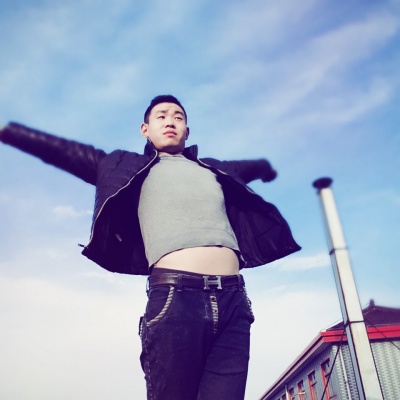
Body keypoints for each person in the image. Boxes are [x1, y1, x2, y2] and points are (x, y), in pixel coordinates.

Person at [0, 95, 300, 400]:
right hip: (175, 299)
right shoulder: (122, 166)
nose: (170, 121)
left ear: (187, 131)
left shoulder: (215, 169)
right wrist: (10, 132)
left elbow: (250, 167)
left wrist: (266, 168)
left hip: (233, 301)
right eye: (162, 116)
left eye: (178, 117)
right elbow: (64, 151)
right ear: (145, 129)